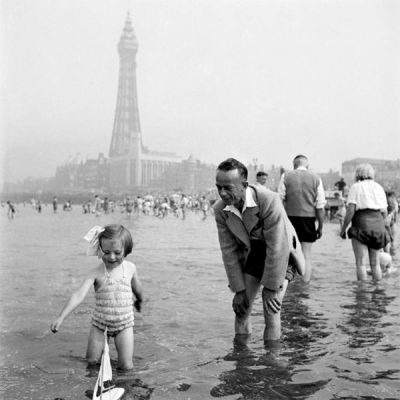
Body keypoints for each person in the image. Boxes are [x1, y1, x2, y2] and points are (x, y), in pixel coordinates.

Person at [213, 158, 305, 342]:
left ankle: (271, 362)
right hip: (254, 251)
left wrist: (272, 286)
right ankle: (241, 363)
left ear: (244, 185)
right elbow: (229, 252)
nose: (222, 193)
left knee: (270, 308)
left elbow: (278, 245)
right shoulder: (220, 209)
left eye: (228, 188)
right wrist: (239, 290)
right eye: (218, 187)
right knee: (241, 310)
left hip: (284, 252)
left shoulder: (269, 200)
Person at [51, 224, 143, 370]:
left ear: (127, 250)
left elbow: (136, 285)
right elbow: (79, 295)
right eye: (106, 252)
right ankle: (95, 386)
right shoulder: (96, 273)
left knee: (126, 366)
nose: (111, 257)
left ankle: (125, 387)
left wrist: (139, 299)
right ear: (99, 250)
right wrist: (61, 317)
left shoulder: (131, 268)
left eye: (117, 252)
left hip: (124, 324)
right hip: (100, 326)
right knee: (92, 363)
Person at [278, 155, 326, 282]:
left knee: (288, 256)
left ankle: (289, 288)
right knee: (306, 256)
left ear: (294, 165)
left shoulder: (286, 176)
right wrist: (320, 227)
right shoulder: (316, 178)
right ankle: (304, 288)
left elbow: (280, 201)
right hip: (308, 219)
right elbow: (320, 206)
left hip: (289, 219)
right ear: (307, 166)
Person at [339, 163, 389, 281]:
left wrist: (343, 229)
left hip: (361, 224)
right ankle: (378, 293)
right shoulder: (379, 187)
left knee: (361, 263)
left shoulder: (356, 187)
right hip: (378, 225)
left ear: (358, 174)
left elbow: (351, 210)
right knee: (375, 264)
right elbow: (385, 212)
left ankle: (362, 295)